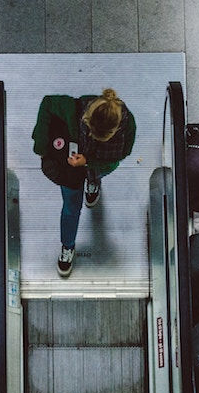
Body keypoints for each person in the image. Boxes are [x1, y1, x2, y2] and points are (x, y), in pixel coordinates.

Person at [31, 88, 136, 277]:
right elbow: (47, 102)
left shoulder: (128, 125)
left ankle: (93, 183)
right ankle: (68, 246)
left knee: (95, 177)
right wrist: (41, 147)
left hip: (98, 166)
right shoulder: (73, 109)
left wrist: (88, 162)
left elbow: (119, 156)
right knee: (71, 207)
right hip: (73, 169)